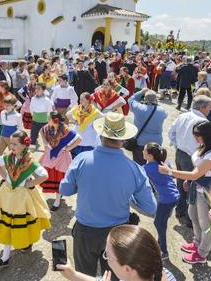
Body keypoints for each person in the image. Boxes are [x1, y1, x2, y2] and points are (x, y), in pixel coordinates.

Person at [60, 113, 157, 277]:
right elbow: (150, 206)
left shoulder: (82, 159)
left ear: (100, 134)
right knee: (114, 276)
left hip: (85, 231)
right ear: (123, 140)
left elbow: (65, 190)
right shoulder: (134, 168)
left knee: (83, 275)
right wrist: (128, 195)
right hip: (118, 234)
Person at [159, 121, 211, 264]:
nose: (195, 137)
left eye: (197, 135)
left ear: (207, 135)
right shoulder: (204, 146)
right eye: (194, 134)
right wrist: (188, 181)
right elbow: (196, 173)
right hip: (197, 187)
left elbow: (195, 173)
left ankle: (202, 254)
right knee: (193, 216)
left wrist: (169, 171)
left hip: (208, 192)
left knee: (206, 224)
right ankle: (197, 242)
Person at [0, 130, 51, 268]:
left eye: (14, 144)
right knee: (8, 225)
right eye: (11, 143)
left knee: (23, 223)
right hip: (9, 197)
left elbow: (44, 175)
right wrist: (6, 177)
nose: (11, 146)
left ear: (24, 145)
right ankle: (5, 258)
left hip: (22, 198)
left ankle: (25, 243)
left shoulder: (30, 162)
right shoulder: (8, 157)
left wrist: (28, 184)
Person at [57, 225, 174, 281]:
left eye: (107, 255)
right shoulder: (159, 271)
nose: (105, 258)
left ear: (127, 269)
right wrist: (72, 275)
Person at [167, 95, 211, 225]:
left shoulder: (183, 116)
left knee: (181, 183)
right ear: (203, 107)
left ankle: (180, 210)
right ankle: (189, 218)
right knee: (191, 187)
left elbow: (171, 132)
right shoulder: (203, 122)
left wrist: (178, 145)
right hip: (192, 158)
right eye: (209, 107)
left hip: (180, 154)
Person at [142, 143, 179, 260]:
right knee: (162, 221)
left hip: (166, 199)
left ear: (150, 156)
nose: (142, 152)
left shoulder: (147, 168)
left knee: (158, 223)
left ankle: (163, 251)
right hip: (174, 195)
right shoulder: (164, 162)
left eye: (144, 151)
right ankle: (159, 244)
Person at [39, 111, 80, 211]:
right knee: (49, 175)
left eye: (49, 119)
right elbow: (41, 131)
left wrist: (68, 148)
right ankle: (58, 196)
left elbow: (79, 138)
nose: (47, 120)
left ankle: (57, 201)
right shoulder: (48, 127)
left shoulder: (64, 129)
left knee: (59, 178)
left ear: (54, 120)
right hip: (51, 155)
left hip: (61, 156)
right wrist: (45, 143)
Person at [127, 88, 168, 165]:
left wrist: (141, 92)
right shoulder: (162, 111)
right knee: (154, 165)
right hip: (156, 142)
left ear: (145, 99)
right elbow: (165, 115)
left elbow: (130, 100)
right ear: (156, 99)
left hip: (140, 141)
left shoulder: (138, 108)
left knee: (138, 164)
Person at [66, 92, 102, 158]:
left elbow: (102, 118)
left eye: (82, 99)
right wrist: (75, 121)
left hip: (89, 134)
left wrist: (95, 124)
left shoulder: (94, 110)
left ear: (88, 100)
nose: (80, 101)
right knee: (75, 154)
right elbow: (68, 114)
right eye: (80, 99)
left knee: (87, 155)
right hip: (79, 131)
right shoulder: (78, 108)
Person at [0, 95, 23, 160]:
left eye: (8, 105)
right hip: (3, 135)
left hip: (12, 138)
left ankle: (14, 168)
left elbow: (20, 128)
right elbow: (3, 123)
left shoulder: (17, 116)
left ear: (13, 105)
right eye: (5, 105)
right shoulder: (2, 113)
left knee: (13, 155)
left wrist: (18, 140)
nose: (5, 107)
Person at [29, 82, 53, 148]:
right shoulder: (33, 99)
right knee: (33, 138)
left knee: (46, 138)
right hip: (35, 121)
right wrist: (34, 116)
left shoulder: (47, 100)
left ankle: (47, 152)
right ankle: (32, 149)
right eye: (36, 88)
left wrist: (48, 121)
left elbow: (49, 111)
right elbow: (31, 108)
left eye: (39, 89)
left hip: (44, 122)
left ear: (43, 90)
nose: (36, 90)